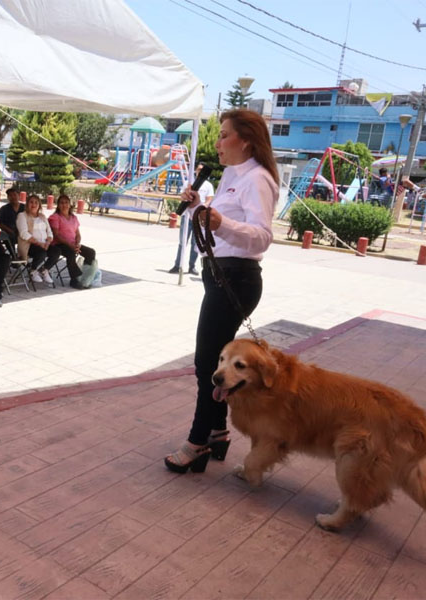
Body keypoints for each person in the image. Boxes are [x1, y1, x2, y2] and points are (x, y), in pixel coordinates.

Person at [165, 109, 280, 473]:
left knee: (205, 365)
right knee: (213, 364)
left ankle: (197, 442)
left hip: (237, 278)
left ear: (246, 140)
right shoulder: (233, 175)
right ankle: (217, 432)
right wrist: (200, 208)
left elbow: (262, 236)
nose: (217, 142)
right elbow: (221, 227)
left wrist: (221, 221)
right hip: (218, 275)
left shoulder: (258, 179)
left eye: (225, 134)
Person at [169, 163, 214, 275]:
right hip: (187, 217)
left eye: (202, 170)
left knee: (196, 244)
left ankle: (191, 266)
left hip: (198, 218)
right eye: (199, 169)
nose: (200, 171)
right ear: (195, 170)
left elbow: (209, 199)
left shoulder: (208, 185)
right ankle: (177, 265)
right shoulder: (188, 183)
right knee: (182, 242)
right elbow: (182, 196)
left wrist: (202, 207)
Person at [48, 195, 96, 290]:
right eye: (61, 203)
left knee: (91, 252)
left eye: (66, 202)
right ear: (58, 205)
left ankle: (85, 277)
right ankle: (74, 280)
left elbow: (77, 234)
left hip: (73, 244)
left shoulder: (74, 218)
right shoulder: (55, 217)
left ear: (70, 205)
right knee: (71, 252)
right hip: (59, 245)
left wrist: (77, 244)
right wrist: (71, 245)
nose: (64, 205)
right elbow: (56, 235)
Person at [16, 194, 55, 284]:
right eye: (31, 202)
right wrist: (39, 243)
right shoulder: (22, 215)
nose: (33, 204)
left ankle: (44, 270)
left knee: (56, 251)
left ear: (39, 205)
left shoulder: (42, 217)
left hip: (44, 243)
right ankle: (33, 271)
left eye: (36, 203)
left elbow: (49, 231)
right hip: (30, 245)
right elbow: (23, 233)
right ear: (27, 204)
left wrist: (48, 242)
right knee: (42, 253)